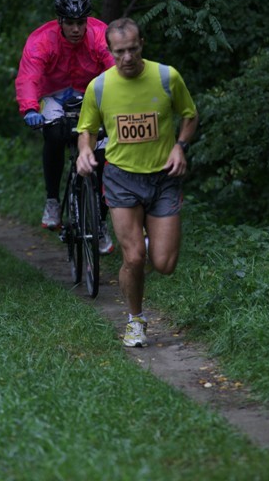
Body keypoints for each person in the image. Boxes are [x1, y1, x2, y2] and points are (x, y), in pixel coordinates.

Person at [76, 17, 199, 347]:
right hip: (121, 178)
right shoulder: (99, 87)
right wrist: (84, 151)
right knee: (132, 259)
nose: (127, 57)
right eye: (120, 52)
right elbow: (86, 130)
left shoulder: (165, 77)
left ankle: (145, 247)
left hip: (163, 178)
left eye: (132, 49)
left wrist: (180, 146)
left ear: (142, 44)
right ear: (110, 50)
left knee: (164, 264)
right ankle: (135, 320)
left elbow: (190, 115)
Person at [15, 0, 115, 254]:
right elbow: (29, 77)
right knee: (55, 134)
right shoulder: (41, 40)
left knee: (103, 153)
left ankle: (100, 223)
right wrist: (29, 108)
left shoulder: (100, 35)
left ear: (87, 21)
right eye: (69, 23)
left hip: (90, 96)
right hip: (53, 97)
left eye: (80, 23)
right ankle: (52, 201)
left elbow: (116, 72)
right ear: (59, 21)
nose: (75, 29)